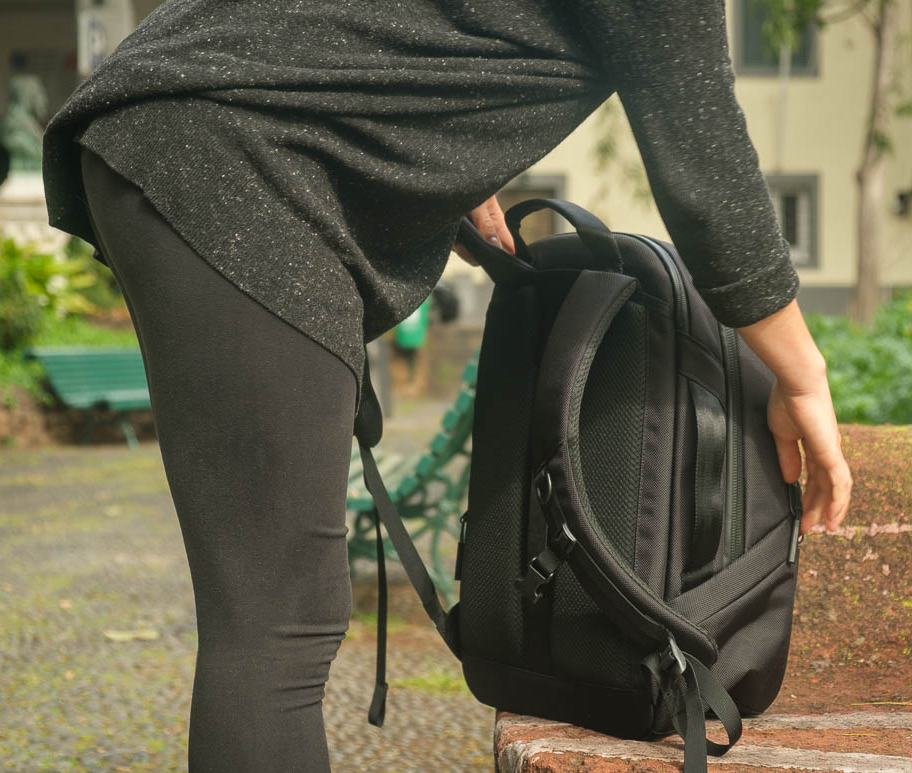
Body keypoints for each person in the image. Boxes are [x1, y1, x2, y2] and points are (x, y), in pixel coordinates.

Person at [44, 1, 852, 770]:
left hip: (209, 122)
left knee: (273, 617)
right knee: (277, 622)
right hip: (238, 152)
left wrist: (439, 149)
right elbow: (696, 134)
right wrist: (803, 375)